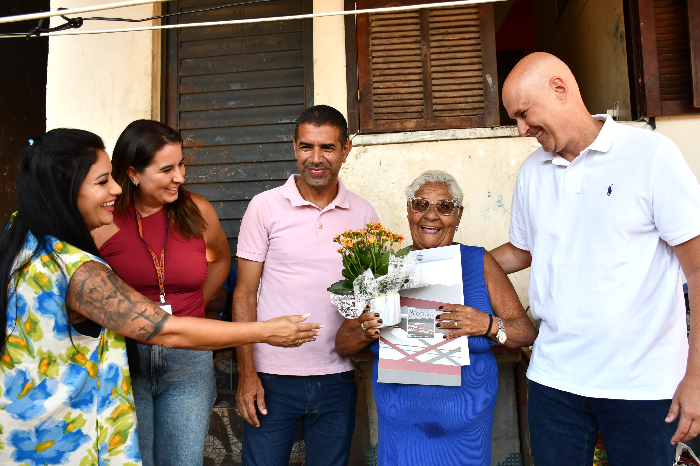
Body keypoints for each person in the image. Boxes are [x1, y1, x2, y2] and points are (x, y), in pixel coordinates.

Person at [0, 129, 321, 465]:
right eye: (102, 181)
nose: (114, 188)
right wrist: (266, 331)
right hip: (64, 436)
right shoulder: (77, 271)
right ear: (64, 190)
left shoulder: (20, 239)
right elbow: (166, 330)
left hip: (29, 424)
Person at [490, 52, 700, 465]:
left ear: (559, 89)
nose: (520, 130)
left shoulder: (651, 155)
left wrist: (696, 377)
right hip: (554, 382)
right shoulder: (532, 171)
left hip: (642, 386)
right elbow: (522, 251)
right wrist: (449, 261)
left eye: (524, 114)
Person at [335, 170, 537, 466]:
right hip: (401, 429)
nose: (431, 215)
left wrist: (488, 325)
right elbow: (342, 343)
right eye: (420, 205)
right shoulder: (385, 268)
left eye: (444, 207)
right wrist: (365, 329)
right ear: (409, 211)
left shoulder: (479, 262)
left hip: (464, 431)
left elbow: (525, 331)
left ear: (458, 215)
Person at [234, 105, 379, 466]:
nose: (316, 159)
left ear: (346, 150)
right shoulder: (264, 207)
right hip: (271, 377)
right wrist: (247, 373)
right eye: (306, 147)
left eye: (327, 148)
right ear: (294, 147)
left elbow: (367, 295)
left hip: (338, 376)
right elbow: (243, 295)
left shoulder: (363, 214)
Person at [90, 120, 230, 466]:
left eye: (181, 165)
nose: (180, 177)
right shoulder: (103, 221)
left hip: (189, 359)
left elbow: (221, 258)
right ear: (133, 173)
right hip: (125, 357)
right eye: (166, 169)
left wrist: (195, 303)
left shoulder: (198, 211)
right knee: (133, 460)